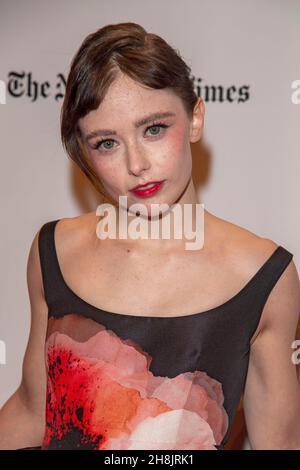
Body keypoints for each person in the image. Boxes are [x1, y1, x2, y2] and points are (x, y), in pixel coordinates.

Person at [1, 21, 300, 451]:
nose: (137, 163)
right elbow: (33, 411)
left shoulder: (263, 274)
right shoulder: (55, 251)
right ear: (83, 151)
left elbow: (280, 442)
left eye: (154, 129)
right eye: (106, 143)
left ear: (195, 117)